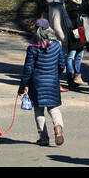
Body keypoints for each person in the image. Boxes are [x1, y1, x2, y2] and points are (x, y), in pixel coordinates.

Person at [18, 18, 66, 147]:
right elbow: (62, 64)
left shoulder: (33, 47)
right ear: (49, 29)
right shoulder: (56, 45)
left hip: (37, 84)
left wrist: (22, 86)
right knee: (54, 108)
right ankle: (58, 127)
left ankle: (44, 138)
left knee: (39, 111)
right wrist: (56, 74)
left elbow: (28, 69)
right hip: (53, 82)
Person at [64, 0, 87, 88]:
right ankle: (70, 77)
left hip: (81, 31)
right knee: (70, 57)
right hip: (73, 33)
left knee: (80, 56)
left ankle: (78, 76)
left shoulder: (80, 3)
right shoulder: (68, 5)